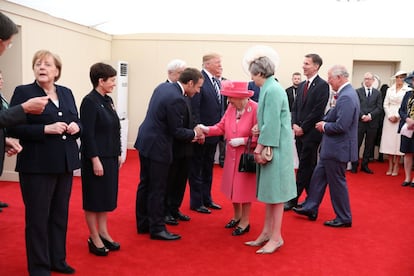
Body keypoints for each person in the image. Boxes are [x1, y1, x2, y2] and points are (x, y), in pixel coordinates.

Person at [8, 50, 81, 275]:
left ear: (56, 71)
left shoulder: (66, 93)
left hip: (64, 163)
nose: (42, 67)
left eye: (47, 64)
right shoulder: (24, 92)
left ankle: (57, 260)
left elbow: (77, 119)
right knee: (38, 219)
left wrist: (77, 127)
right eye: (38, 64)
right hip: (36, 166)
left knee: (60, 215)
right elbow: (12, 127)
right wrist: (44, 129)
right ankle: (39, 267)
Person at [135, 68, 204, 240]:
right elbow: (177, 131)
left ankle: (144, 223)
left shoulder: (163, 87)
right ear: (189, 83)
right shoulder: (177, 99)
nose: (198, 91)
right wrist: (196, 134)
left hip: (145, 142)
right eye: (198, 87)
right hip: (158, 147)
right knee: (157, 188)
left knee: (145, 185)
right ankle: (157, 228)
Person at [243, 48, 296, 254]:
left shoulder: (272, 89)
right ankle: (267, 232)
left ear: (260, 73)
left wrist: (259, 146)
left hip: (275, 150)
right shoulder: (270, 87)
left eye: (253, 74)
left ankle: (276, 237)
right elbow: (271, 120)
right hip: (274, 146)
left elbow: (273, 124)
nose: (252, 78)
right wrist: (260, 127)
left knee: (276, 195)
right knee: (270, 194)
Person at [293, 65, 359, 228]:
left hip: (337, 149)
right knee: (318, 178)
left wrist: (324, 126)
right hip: (331, 149)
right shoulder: (345, 94)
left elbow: (342, 125)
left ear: (339, 78)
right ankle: (310, 206)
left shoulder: (346, 97)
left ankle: (344, 217)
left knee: (337, 184)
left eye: (330, 77)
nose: (328, 80)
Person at [0, 13, 49, 214]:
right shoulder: (24, 92)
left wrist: (3, 140)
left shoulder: (65, 92)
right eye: (8, 44)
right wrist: (25, 109)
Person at [198, 81, 258, 236]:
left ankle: (245, 222)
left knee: (244, 191)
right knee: (233, 188)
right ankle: (236, 216)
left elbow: (262, 135)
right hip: (231, 155)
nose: (228, 101)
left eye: (230, 97)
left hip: (245, 156)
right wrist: (206, 129)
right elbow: (221, 127)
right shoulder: (231, 108)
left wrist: (243, 141)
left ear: (240, 97)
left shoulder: (255, 109)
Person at [80, 63, 121, 256]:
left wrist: (118, 153)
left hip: (110, 156)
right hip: (95, 158)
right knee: (94, 198)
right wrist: (95, 159)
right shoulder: (89, 101)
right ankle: (94, 236)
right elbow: (88, 134)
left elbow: (115, 128)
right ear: (100, 81)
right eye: (112, 80)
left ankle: (104, 232)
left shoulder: (107, 100)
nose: (114, 83)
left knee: (105, 197)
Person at [286, 53, 330, 211]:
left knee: (305, 166)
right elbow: (295, 107)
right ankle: (312, 202)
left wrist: (303, 127)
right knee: (309, 168)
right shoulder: (303, 84)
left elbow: (317, 111)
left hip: (311, 133)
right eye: (303, 63)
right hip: (298, 132)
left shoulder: (322, 85)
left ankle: (293, 199)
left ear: (316, 66)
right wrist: (294, 124)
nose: (303, 66)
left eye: (307, 63)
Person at [189, 53, 223, 214]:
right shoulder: (200, 79)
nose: (220, 65)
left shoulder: (216, 81)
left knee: (208, 168)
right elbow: (194, 108)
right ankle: (197, 201)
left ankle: (207, 198)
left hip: (214, 133)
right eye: (217, 63)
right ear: (207, 64)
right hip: (202, 134)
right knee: (197, 168)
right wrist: (198, 130)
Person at [163, 59, 193, 226]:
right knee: (170, 179)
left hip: (186, 142)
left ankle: (175, 208)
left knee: (181, 178)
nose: (185, 76)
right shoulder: (166, 90)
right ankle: (166, 210)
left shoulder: (184, 91)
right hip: (172, 144)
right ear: (171, 73)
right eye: (181, 73)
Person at [351, 72, 383, 174]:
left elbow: (379, 107)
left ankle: (365, 165)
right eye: (365, 79)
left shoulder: (378, 93)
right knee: (357, 144)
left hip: (372, 123)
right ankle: (354, 165)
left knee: (369, 145)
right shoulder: (357, 92)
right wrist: (362, 116)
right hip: (360, 122)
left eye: (369, 79)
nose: (367, 81)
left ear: (373, 81)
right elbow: (356, 105)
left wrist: (370, 116)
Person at [380, 71, 409, 176]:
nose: (399, 80)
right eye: (398, 77)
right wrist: (389, 115)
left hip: (400, 117)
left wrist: (398, 116)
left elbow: (406, 106)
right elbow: (385, 104)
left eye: (401, 78)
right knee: (389, 142)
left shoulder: (408, 90)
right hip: (389, 118)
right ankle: (390, 165)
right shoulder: (389, 89)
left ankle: (396, 165)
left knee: (398, 142)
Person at [398, 71, 414, 187]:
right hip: (407, 127)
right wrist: (407, 119)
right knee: (407, 153)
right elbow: (401, 110)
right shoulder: (408, 94)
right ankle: (407, 177)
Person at [376, 83, 389, 162]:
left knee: (375, 138)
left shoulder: (379, 96)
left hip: (378, 120)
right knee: (381, 138)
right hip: (385, 119)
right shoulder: (387, 97)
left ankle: (372, 156)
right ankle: (381, 156)